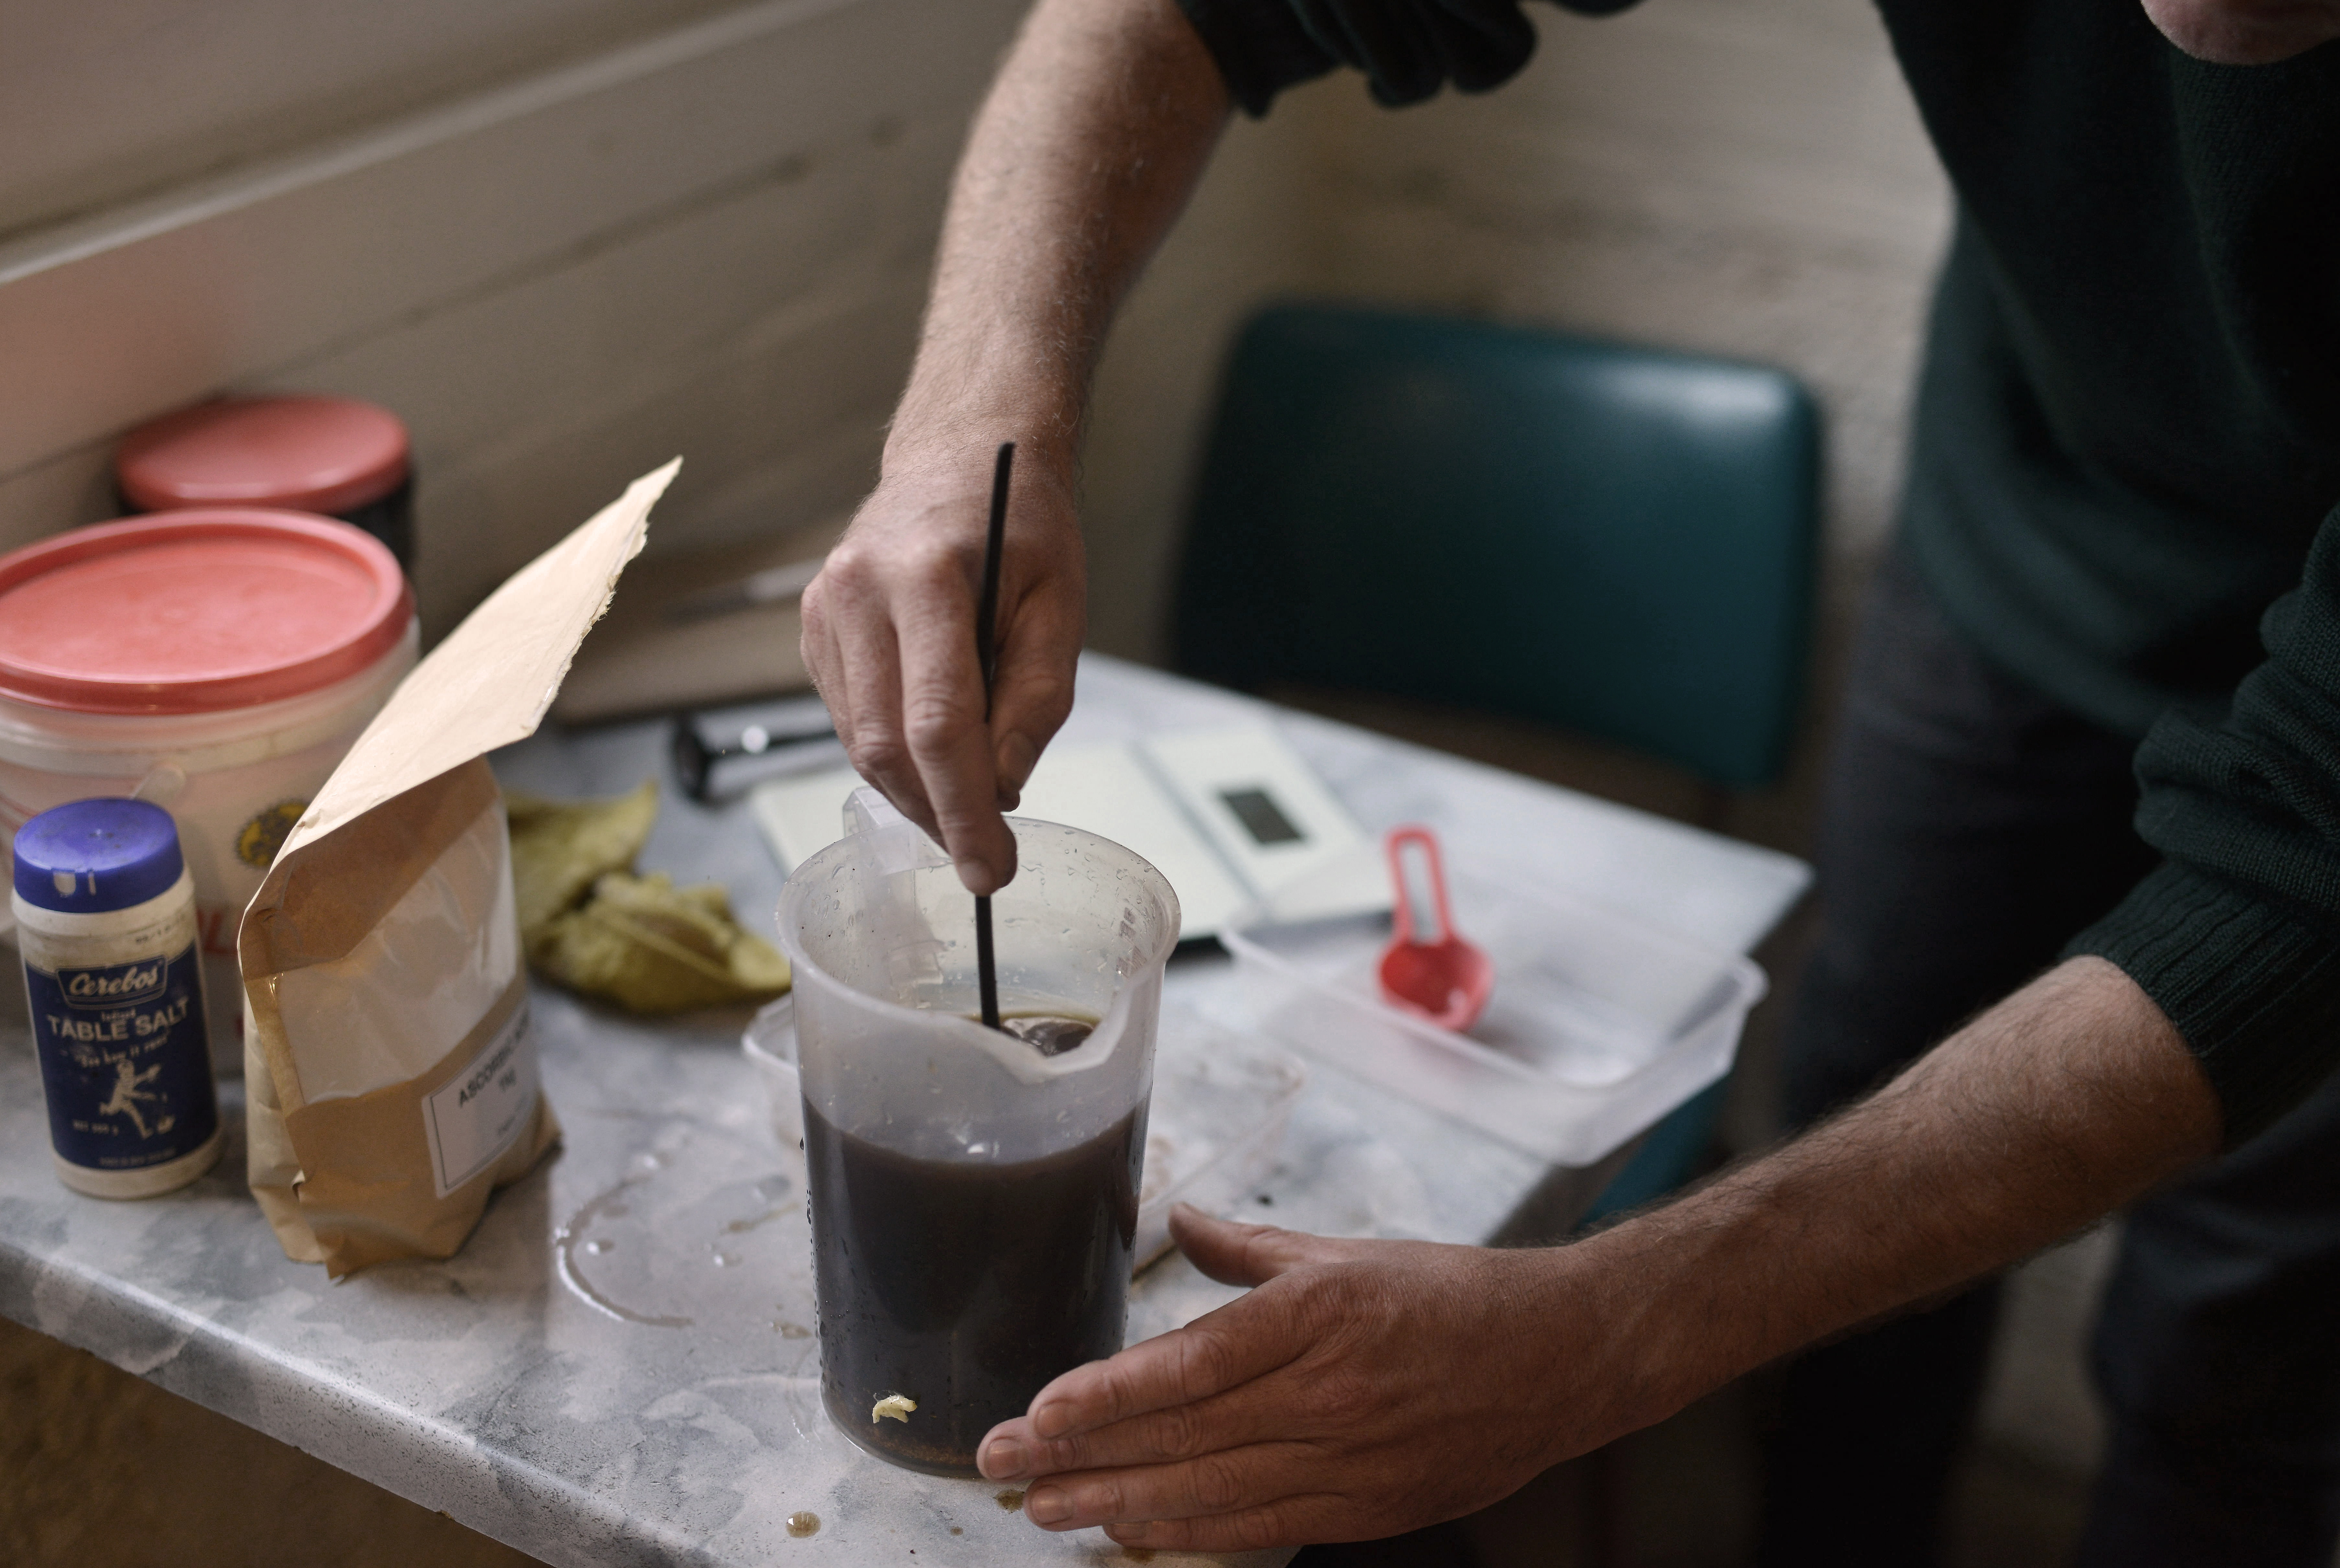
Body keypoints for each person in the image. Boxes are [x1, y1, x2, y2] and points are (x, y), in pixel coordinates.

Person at [797, 0, 2340, 1560]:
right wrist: (972, 421)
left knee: (2236, 1337)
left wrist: (1606, 1333)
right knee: (1868, 1103)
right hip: (2033, 515)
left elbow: (2300, 889)